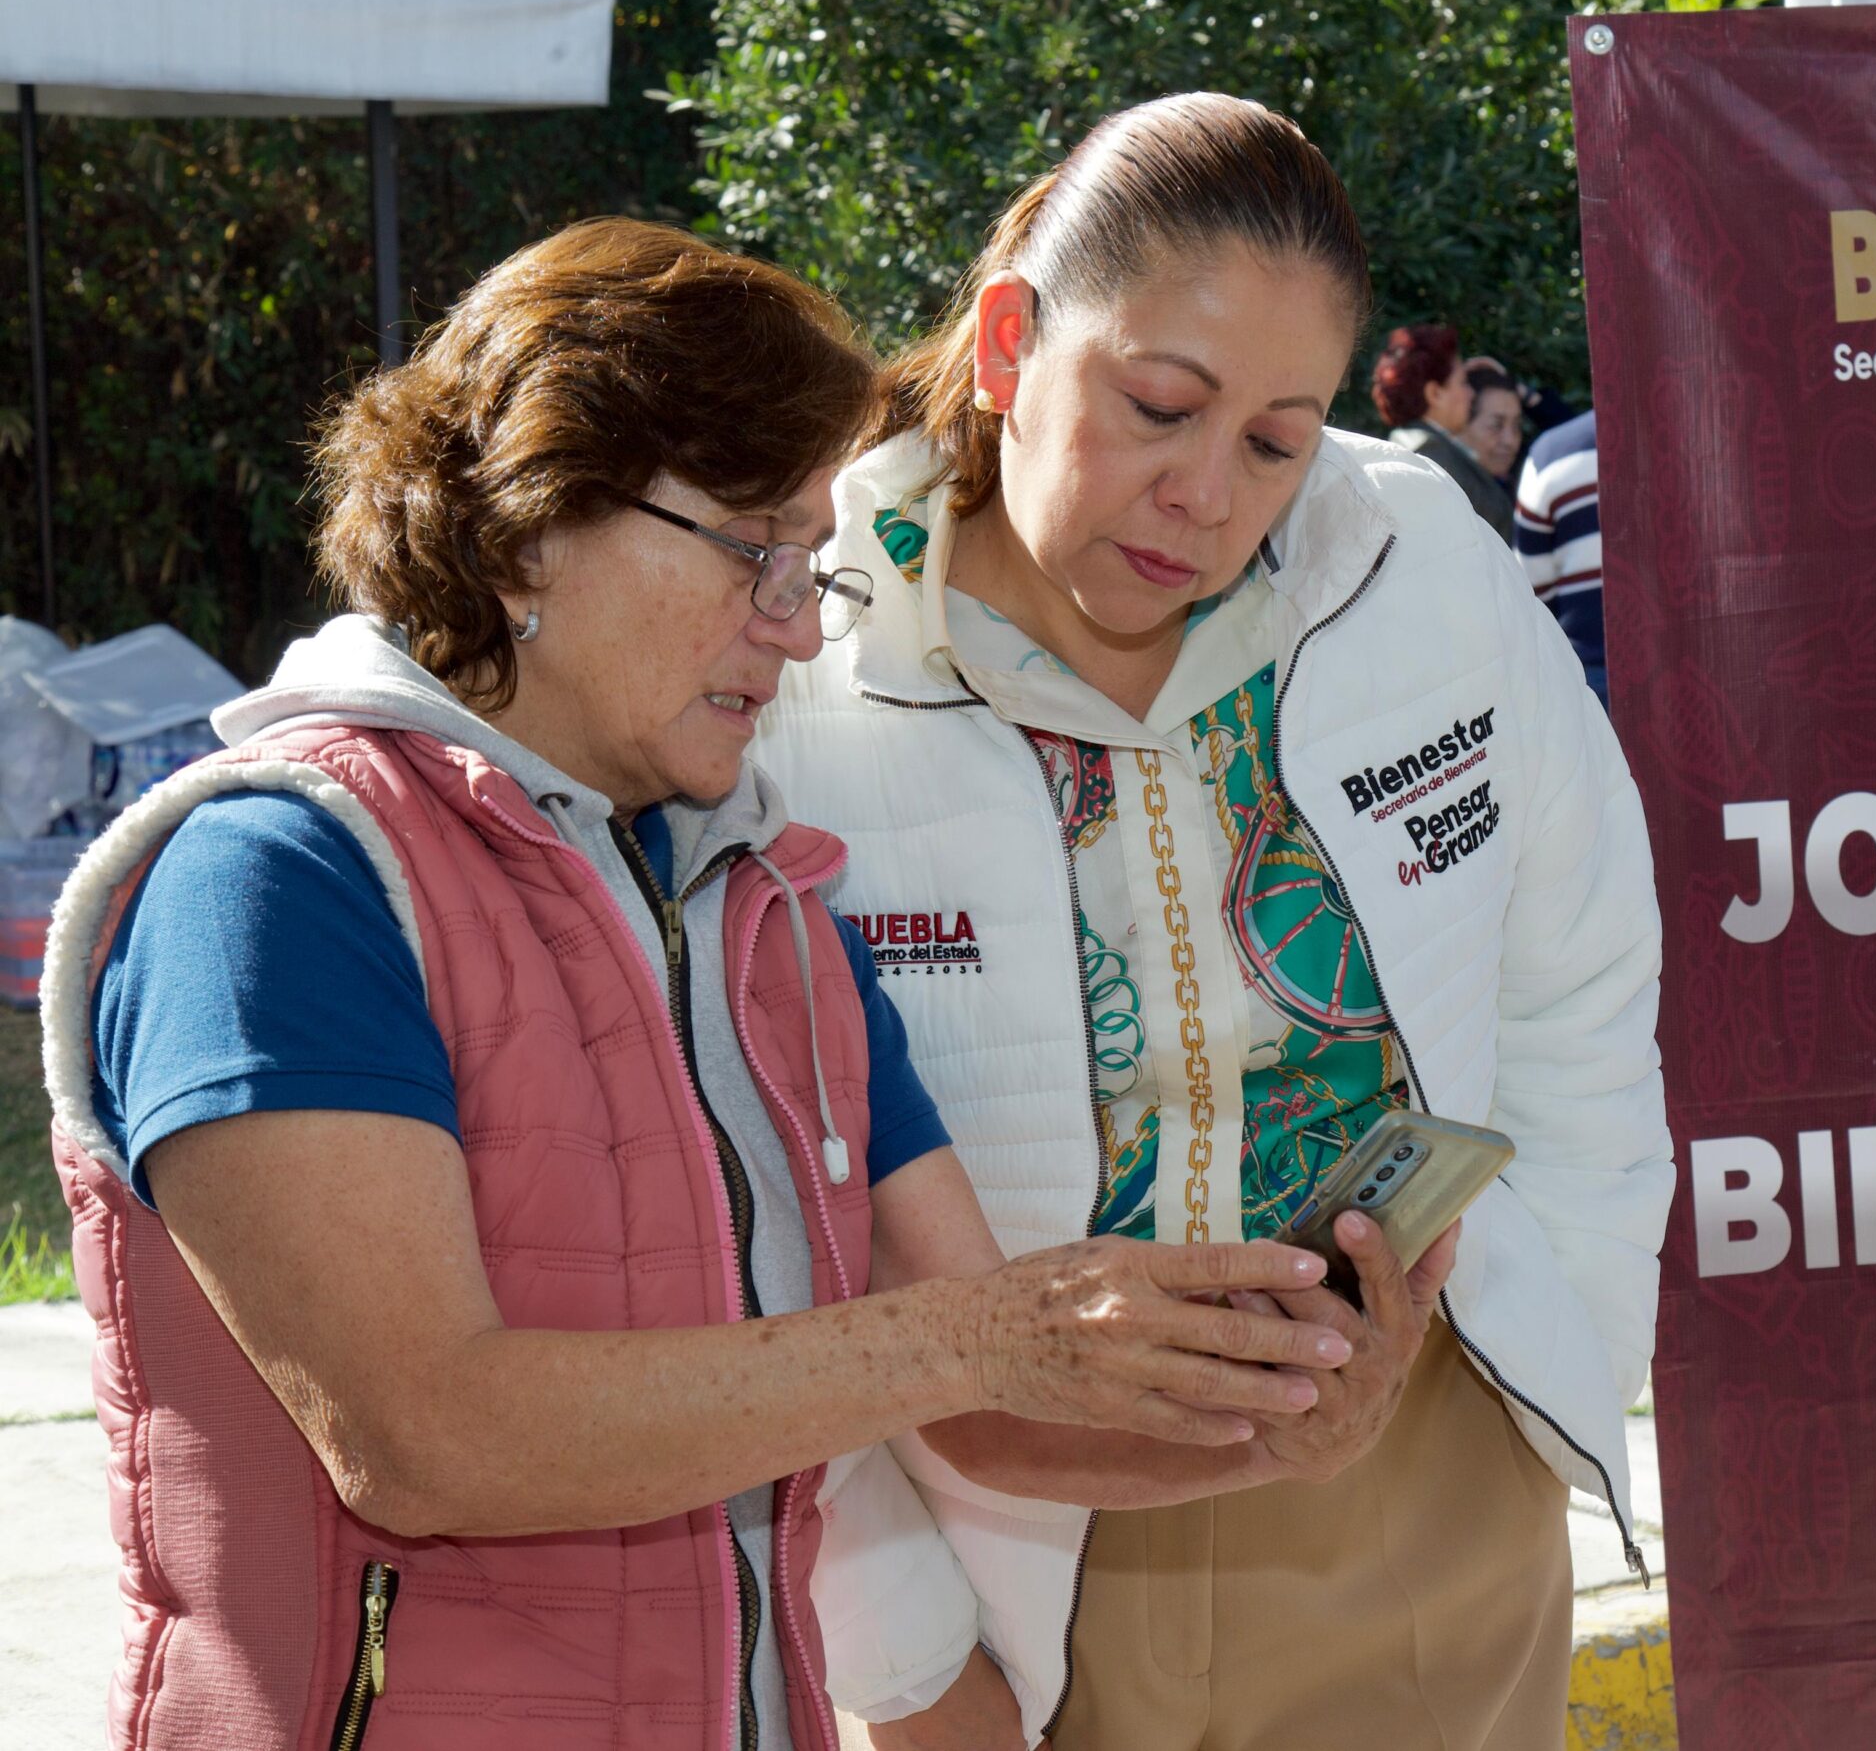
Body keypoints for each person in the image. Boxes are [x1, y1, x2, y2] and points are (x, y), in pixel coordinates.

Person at [38, 218, 1356, 1751]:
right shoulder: (280, 875)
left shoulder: (773, 906)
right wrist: (981, 1335)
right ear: (534, 521)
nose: (798, 631)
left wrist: (1282, 1415)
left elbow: (987, 1410)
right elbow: (425, 1435)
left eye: (817, 569)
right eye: (758, 554)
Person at [761, 93, 1674, 1751]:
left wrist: (1555, 1364)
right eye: (1158, 405)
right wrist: (895, 1649)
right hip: (1002, 1549)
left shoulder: (1416, 564)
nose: (1204, 493)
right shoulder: (797, 669)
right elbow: (746, 1218)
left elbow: (1583, 969)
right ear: (1009, 339)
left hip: (1423, 1488)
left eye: (1276, 438)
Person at [1370, 321, 1514, 534]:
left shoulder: (1422, 446)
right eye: (1463, 383)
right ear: (1435, 393)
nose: (1471, 394)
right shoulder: (1429, 453)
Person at [1514, 406, 1607, 706]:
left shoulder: (1550, 454)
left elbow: (1532, 590)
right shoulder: (1722, 430)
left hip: (1590, 671)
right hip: (1710, 663)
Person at [1459, 357, 1525, 485]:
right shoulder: (1441, 488)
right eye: (1496, 425)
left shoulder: (1515, 486)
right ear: (1460, 421)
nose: (1509, 441)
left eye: (1517, 426)